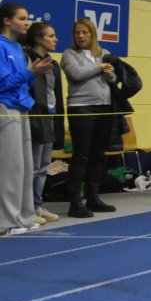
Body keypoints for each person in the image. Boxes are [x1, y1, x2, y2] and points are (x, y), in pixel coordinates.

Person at [1, 3, 50, 235]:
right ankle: (6, 222)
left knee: (25, 166)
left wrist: (34, 74)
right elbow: (3, 84)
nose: (26, 23)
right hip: (5, 108)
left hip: (22, 107)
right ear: (6, 21)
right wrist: (29, 73)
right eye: (21, 18)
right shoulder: (1, 46)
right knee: (10, 168)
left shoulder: (19, 49)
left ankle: (24, 216)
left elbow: (23, 82)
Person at [61, 18, 117, 218]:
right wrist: (101, 67)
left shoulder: (103, 53)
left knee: (98, 155)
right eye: (77, 32)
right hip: (81, 108)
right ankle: (75, 202)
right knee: (81, 155)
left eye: (85, 32)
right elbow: (76, 74)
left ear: (93, 34)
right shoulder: (69, 54)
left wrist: (110, 73)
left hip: (104, 107)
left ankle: (93, 198)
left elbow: (113, 79)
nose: (81, 36)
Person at [25, 21, 63, 223]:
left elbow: (55, 94)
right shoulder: (27, 58)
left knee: (43, 166)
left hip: (50, 116)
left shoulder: (53, 64)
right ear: (38, 39)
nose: (56, 39)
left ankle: (37, 206)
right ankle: (26, 209)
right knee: (32, 166)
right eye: (51, 36)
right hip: (35, 116)